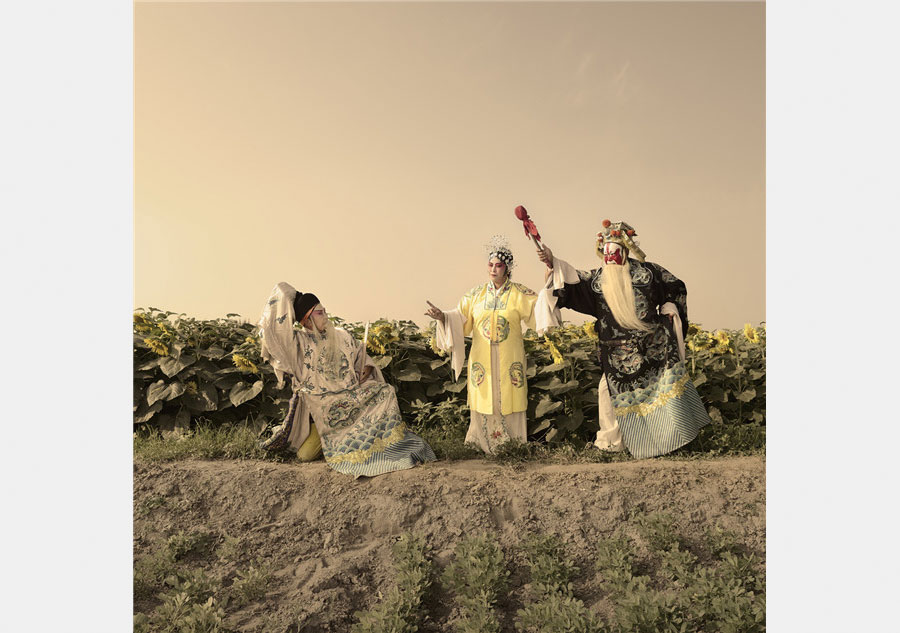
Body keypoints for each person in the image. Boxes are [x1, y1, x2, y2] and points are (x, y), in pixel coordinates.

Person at [535, 220, 710, 459]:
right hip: (615, 353)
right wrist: (552, 262)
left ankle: (669, 439)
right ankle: (611, 443)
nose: (610, 258)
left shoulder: (648, 273)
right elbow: (571, 281)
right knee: (607, 392)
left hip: (651, 347)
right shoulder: (598, 280)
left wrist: (669, 306)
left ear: (625, 252)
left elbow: (675, 285)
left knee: (658, 391)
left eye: (614, 252)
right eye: (606, 253)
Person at [257, 282, 436, 477]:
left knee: (385, 392)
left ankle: (381, 446)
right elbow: (272, 330)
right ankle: (318, 431)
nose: (325, 314)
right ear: (306, 320)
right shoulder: (297, 343)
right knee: (304, 456)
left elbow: (360, 353)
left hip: (353, 399)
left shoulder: (342, 335)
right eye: (318, 312)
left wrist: (366, 366)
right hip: (324, 409)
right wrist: (292, 294)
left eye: (324, 310)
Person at [425, 236, 538, 453]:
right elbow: (459, 318)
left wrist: (553, 284)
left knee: (509, 394)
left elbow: (540, 308)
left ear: (507, 269)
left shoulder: (519, 293)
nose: (493, 269)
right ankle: (481, 444)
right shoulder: (475, 294)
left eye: (499, 265)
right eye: (490, 265)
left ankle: (511, 445)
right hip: (482, 357)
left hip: (509, 355)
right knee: (485, 395)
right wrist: (442, 317)